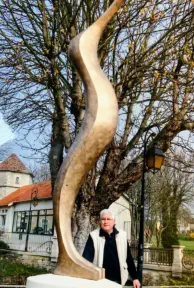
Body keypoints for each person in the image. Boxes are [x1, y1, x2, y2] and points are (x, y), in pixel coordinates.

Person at [83, 209, 140, 288]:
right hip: (100, 281)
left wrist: (135, 278)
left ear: (114, 222)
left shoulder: (122, 235)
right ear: (100, 221)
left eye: (108, 219)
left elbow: (129, 258)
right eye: (103, 219)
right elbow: (86, 260)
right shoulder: (93, 236)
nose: (105, 222)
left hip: (118, 280)